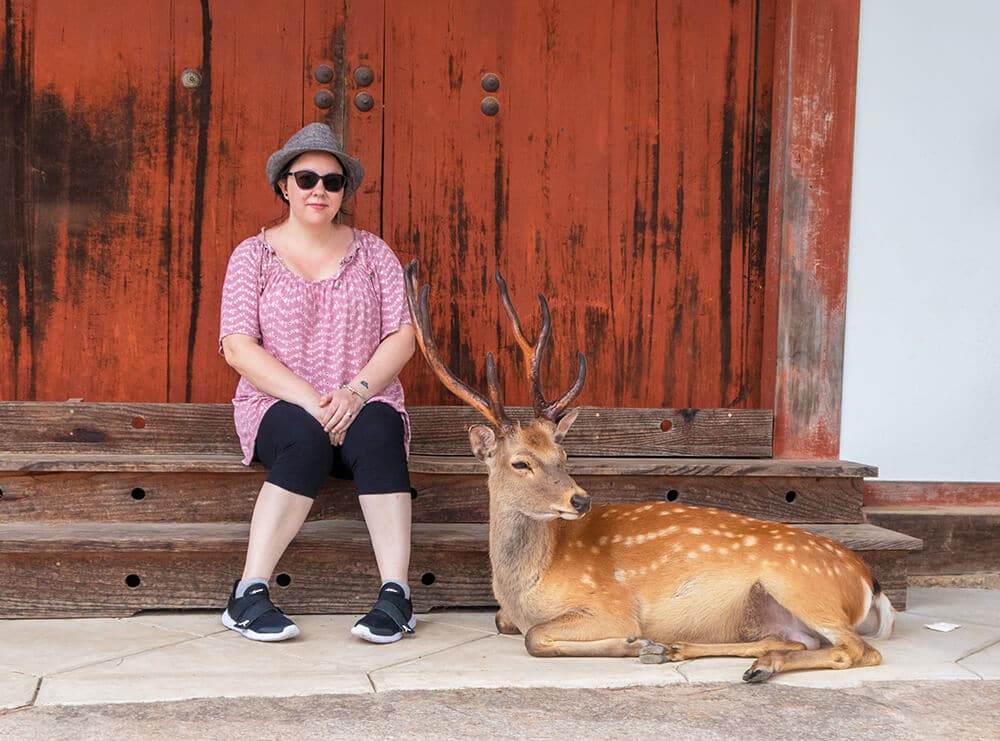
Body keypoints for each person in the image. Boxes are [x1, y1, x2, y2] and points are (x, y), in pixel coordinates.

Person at [217, 122, 416, 643]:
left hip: (362, 397)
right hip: (277, 403)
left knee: (379, 433)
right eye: (306, 179)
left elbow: (402, 336)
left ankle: (396, 595)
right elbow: (238, 347)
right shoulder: (252, 256)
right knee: (302, 439)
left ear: (344, 191)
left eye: (332, 182)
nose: (319, 191)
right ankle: (248, 594)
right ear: (284, 185)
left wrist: (354, 392)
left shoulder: (374, 254)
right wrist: (312, 401)